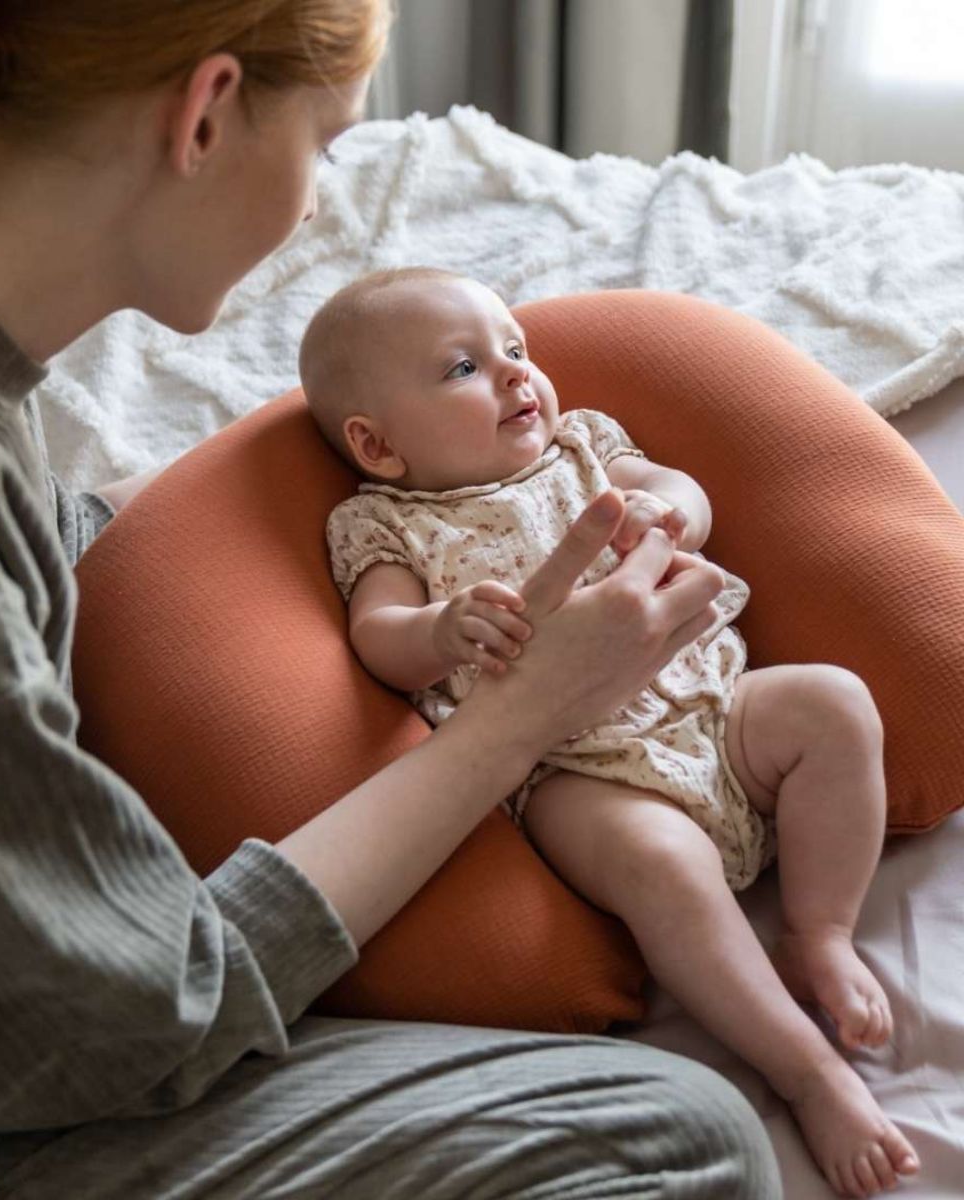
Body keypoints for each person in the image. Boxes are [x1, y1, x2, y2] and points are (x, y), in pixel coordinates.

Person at [0, 3, 782, 1197]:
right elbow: (116, 1023)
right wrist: (522, 717)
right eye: (330, 142)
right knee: (682, 1138)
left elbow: (35, 551)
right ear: (204, 115)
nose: (316, 205)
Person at [302, 267, 922, 1199]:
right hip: (580, 768)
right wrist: (438, 631)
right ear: (378, 445)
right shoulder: (385, 523)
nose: (518, 376)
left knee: (836, 701)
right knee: (662, 869)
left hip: (714, 707)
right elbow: (376, 638)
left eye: (517, 350)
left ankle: (819, 932)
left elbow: (676, 487)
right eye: (467, 367)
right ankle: (809, 1072)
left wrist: (674, 510)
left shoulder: (582, 446)